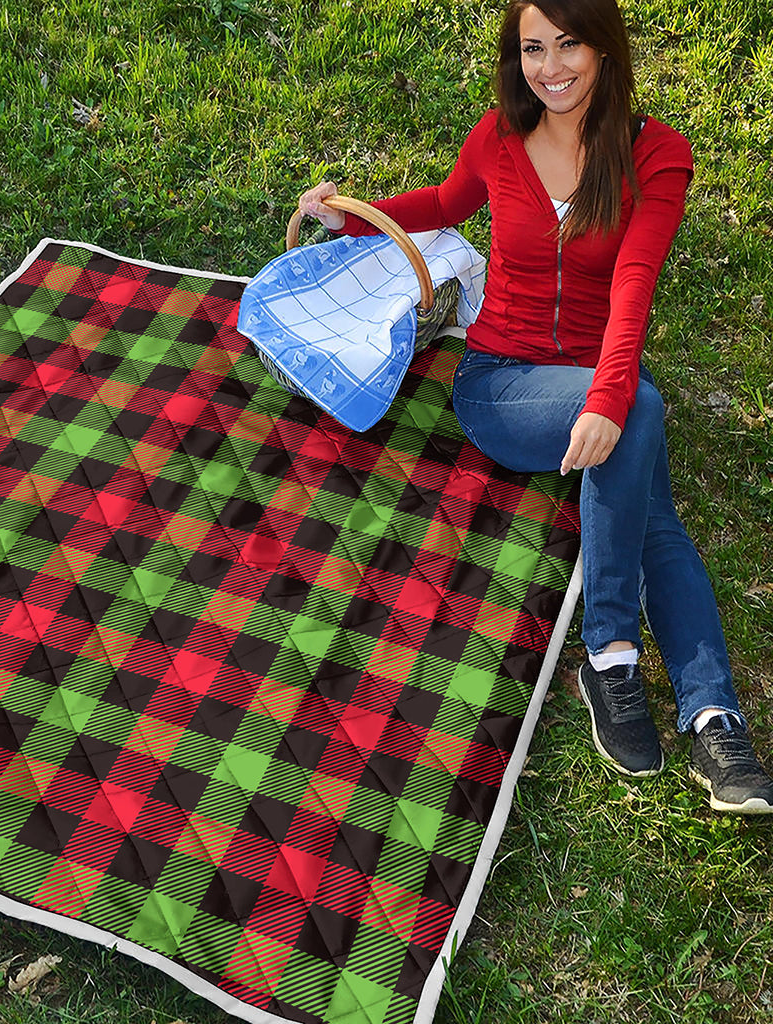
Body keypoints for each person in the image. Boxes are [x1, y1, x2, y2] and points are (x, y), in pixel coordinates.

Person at [297, 0, 773, 814]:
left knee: (647, 477)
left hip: (593, 378)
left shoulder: (656, 155)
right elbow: (445, 205)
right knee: (643, 420)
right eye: (532, 49)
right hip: (500, 384)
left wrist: (610, 396)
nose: (550, 67)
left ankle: (708, 714)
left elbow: (634, 284)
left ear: (605, 49)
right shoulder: (498, 137)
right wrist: (352, 221)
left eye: (569, 44)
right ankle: (617, 654)